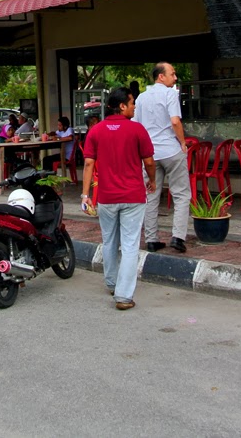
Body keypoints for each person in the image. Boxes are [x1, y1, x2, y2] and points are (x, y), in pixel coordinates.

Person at [81, 87, 155, 311]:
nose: (134, 107)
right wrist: (152, 180)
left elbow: (88, 163)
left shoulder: (96, 131)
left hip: (106, 197)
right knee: (130, 245)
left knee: (109, 240)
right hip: (133, 195)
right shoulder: (137, 129)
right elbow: (149, 162)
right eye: (132, 103)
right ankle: (123, 296)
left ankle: (112, 283)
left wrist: (85, 195)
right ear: (122, 106)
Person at [134, 62, 191, 253]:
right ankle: (178, 237)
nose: (175, 78)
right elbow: (175, 121)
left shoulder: (141, 97)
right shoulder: (170, 94)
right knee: (181, 194)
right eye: (172, 74)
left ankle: (151, 239)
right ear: (161, 76)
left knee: (151, 195)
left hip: (150, 153)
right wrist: (182, 142)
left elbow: (136, 125)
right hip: (171, 150)